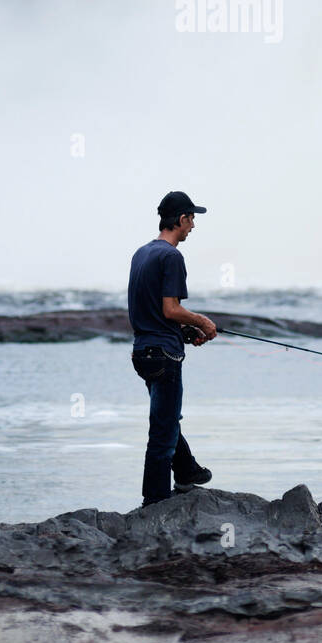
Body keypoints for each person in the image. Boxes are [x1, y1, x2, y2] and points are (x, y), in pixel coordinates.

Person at [128, 191, 217, 506]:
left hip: (143, 352)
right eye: (191, 219)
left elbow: (150, 311)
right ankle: (153, 503)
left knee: (165, 418)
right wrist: (202, 322)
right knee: (163, 431)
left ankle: (187, 470)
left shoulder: (141, 254)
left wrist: (183, 330)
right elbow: (170, 308)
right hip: (164, 355)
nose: (193, 225)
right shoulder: (172, 257)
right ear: (181, 219)